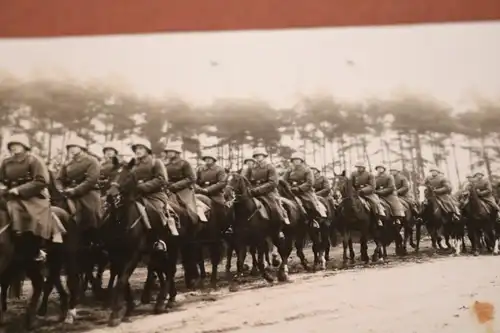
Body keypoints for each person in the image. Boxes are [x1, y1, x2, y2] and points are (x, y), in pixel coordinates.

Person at [0, 134, 53, 261]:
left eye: (17, 145)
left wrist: (19, 190)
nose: (14, 148)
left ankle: (37, 247)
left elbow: (42, 180)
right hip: (9, 194)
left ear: (24, 146)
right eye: (11, 146)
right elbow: (1, 179)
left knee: (31, 216)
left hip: (32, 196)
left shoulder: (34, 160)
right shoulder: (6, 162)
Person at [55, 136, 102, 247]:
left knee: (91, 214)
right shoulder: (68, 163)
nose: (72, 149)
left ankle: (95, 242)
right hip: (69, 193)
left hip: (88, 192)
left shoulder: (92, 161)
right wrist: (61, 189)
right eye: (70, 147)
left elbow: (92, 179)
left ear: (81, 147)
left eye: (75, 146)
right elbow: (58, 179)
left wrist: (75, 190)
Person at [127, 138, 179, 238]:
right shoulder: (133, 165)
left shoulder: (156, 162)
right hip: (135, 195)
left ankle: (159, 239)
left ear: (147, 150)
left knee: (157, 213)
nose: (138, 151)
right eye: (136, 149)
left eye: (141, 148)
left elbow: (161, 179)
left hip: (154, 195)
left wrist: (142, 187)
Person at [241, 147, 290, 238]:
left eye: (260, 156)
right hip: (252, 192)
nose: (258, 158)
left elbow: (273, 182)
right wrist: (248, 189)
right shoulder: (250, 168)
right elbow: (244, 180)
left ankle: (278, 229)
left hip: (268, 192)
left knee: (275, 208)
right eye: (256, 156)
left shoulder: (270, 167)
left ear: (264, 156)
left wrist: (258, 189)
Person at [282, 153, 326, 228]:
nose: (296, 161)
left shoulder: (307, 170)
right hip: (290, 191)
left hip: (305, 192)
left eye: (298, 160)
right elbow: (284, 180)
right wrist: (288, 187)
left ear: (301, 161)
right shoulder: (289, 170)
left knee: (310, 203)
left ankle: (313, 220)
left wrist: (299, 188)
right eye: (294, 160)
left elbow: (310, 182)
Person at [163, 142, 199, 223]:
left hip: (184, 189)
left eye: (171, 151)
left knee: (189, 210)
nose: (168, 153)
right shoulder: (165, 164)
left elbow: (192, 178)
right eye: (167, 151)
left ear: (177, 152)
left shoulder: (185, 163)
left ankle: (193, 223)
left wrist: (175, 186)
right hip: (168, 189)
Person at [195, 149, 228, 229]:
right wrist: (198, 188)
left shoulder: (220, 169)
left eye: (210, 158)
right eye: (206, 158)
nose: (208, 160)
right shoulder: (200, 169)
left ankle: (224, 227)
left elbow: (222, 182)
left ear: (214, 159)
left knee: (221, 207)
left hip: (215, 193)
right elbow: (194, 180)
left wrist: (208, 190)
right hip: (200, 192)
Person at [350, 160, 385, 226]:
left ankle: (378, 218)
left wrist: (363, 190)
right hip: (355, 193)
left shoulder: (370, 175)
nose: (359, 168)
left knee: (375, 203)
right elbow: (350, 184)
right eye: (358, 167)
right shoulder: (353, 174)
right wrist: (353, 190)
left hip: (367, 193)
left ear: (364, 167)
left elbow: (372, 186)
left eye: (360, 167)